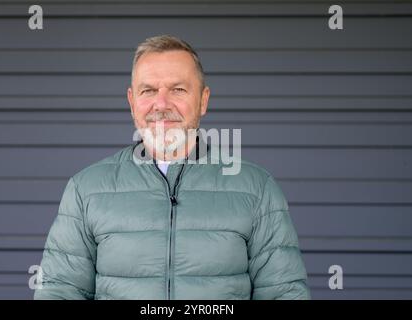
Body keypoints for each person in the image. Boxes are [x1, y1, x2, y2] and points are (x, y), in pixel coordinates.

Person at [34, 35, 310, 300]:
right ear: (132, 102)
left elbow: (283, 294)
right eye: (149, 90)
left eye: (178, 89)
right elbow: (59, 293)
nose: (162, 104)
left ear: (203, 100)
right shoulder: (86, 190)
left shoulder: (256, 188)